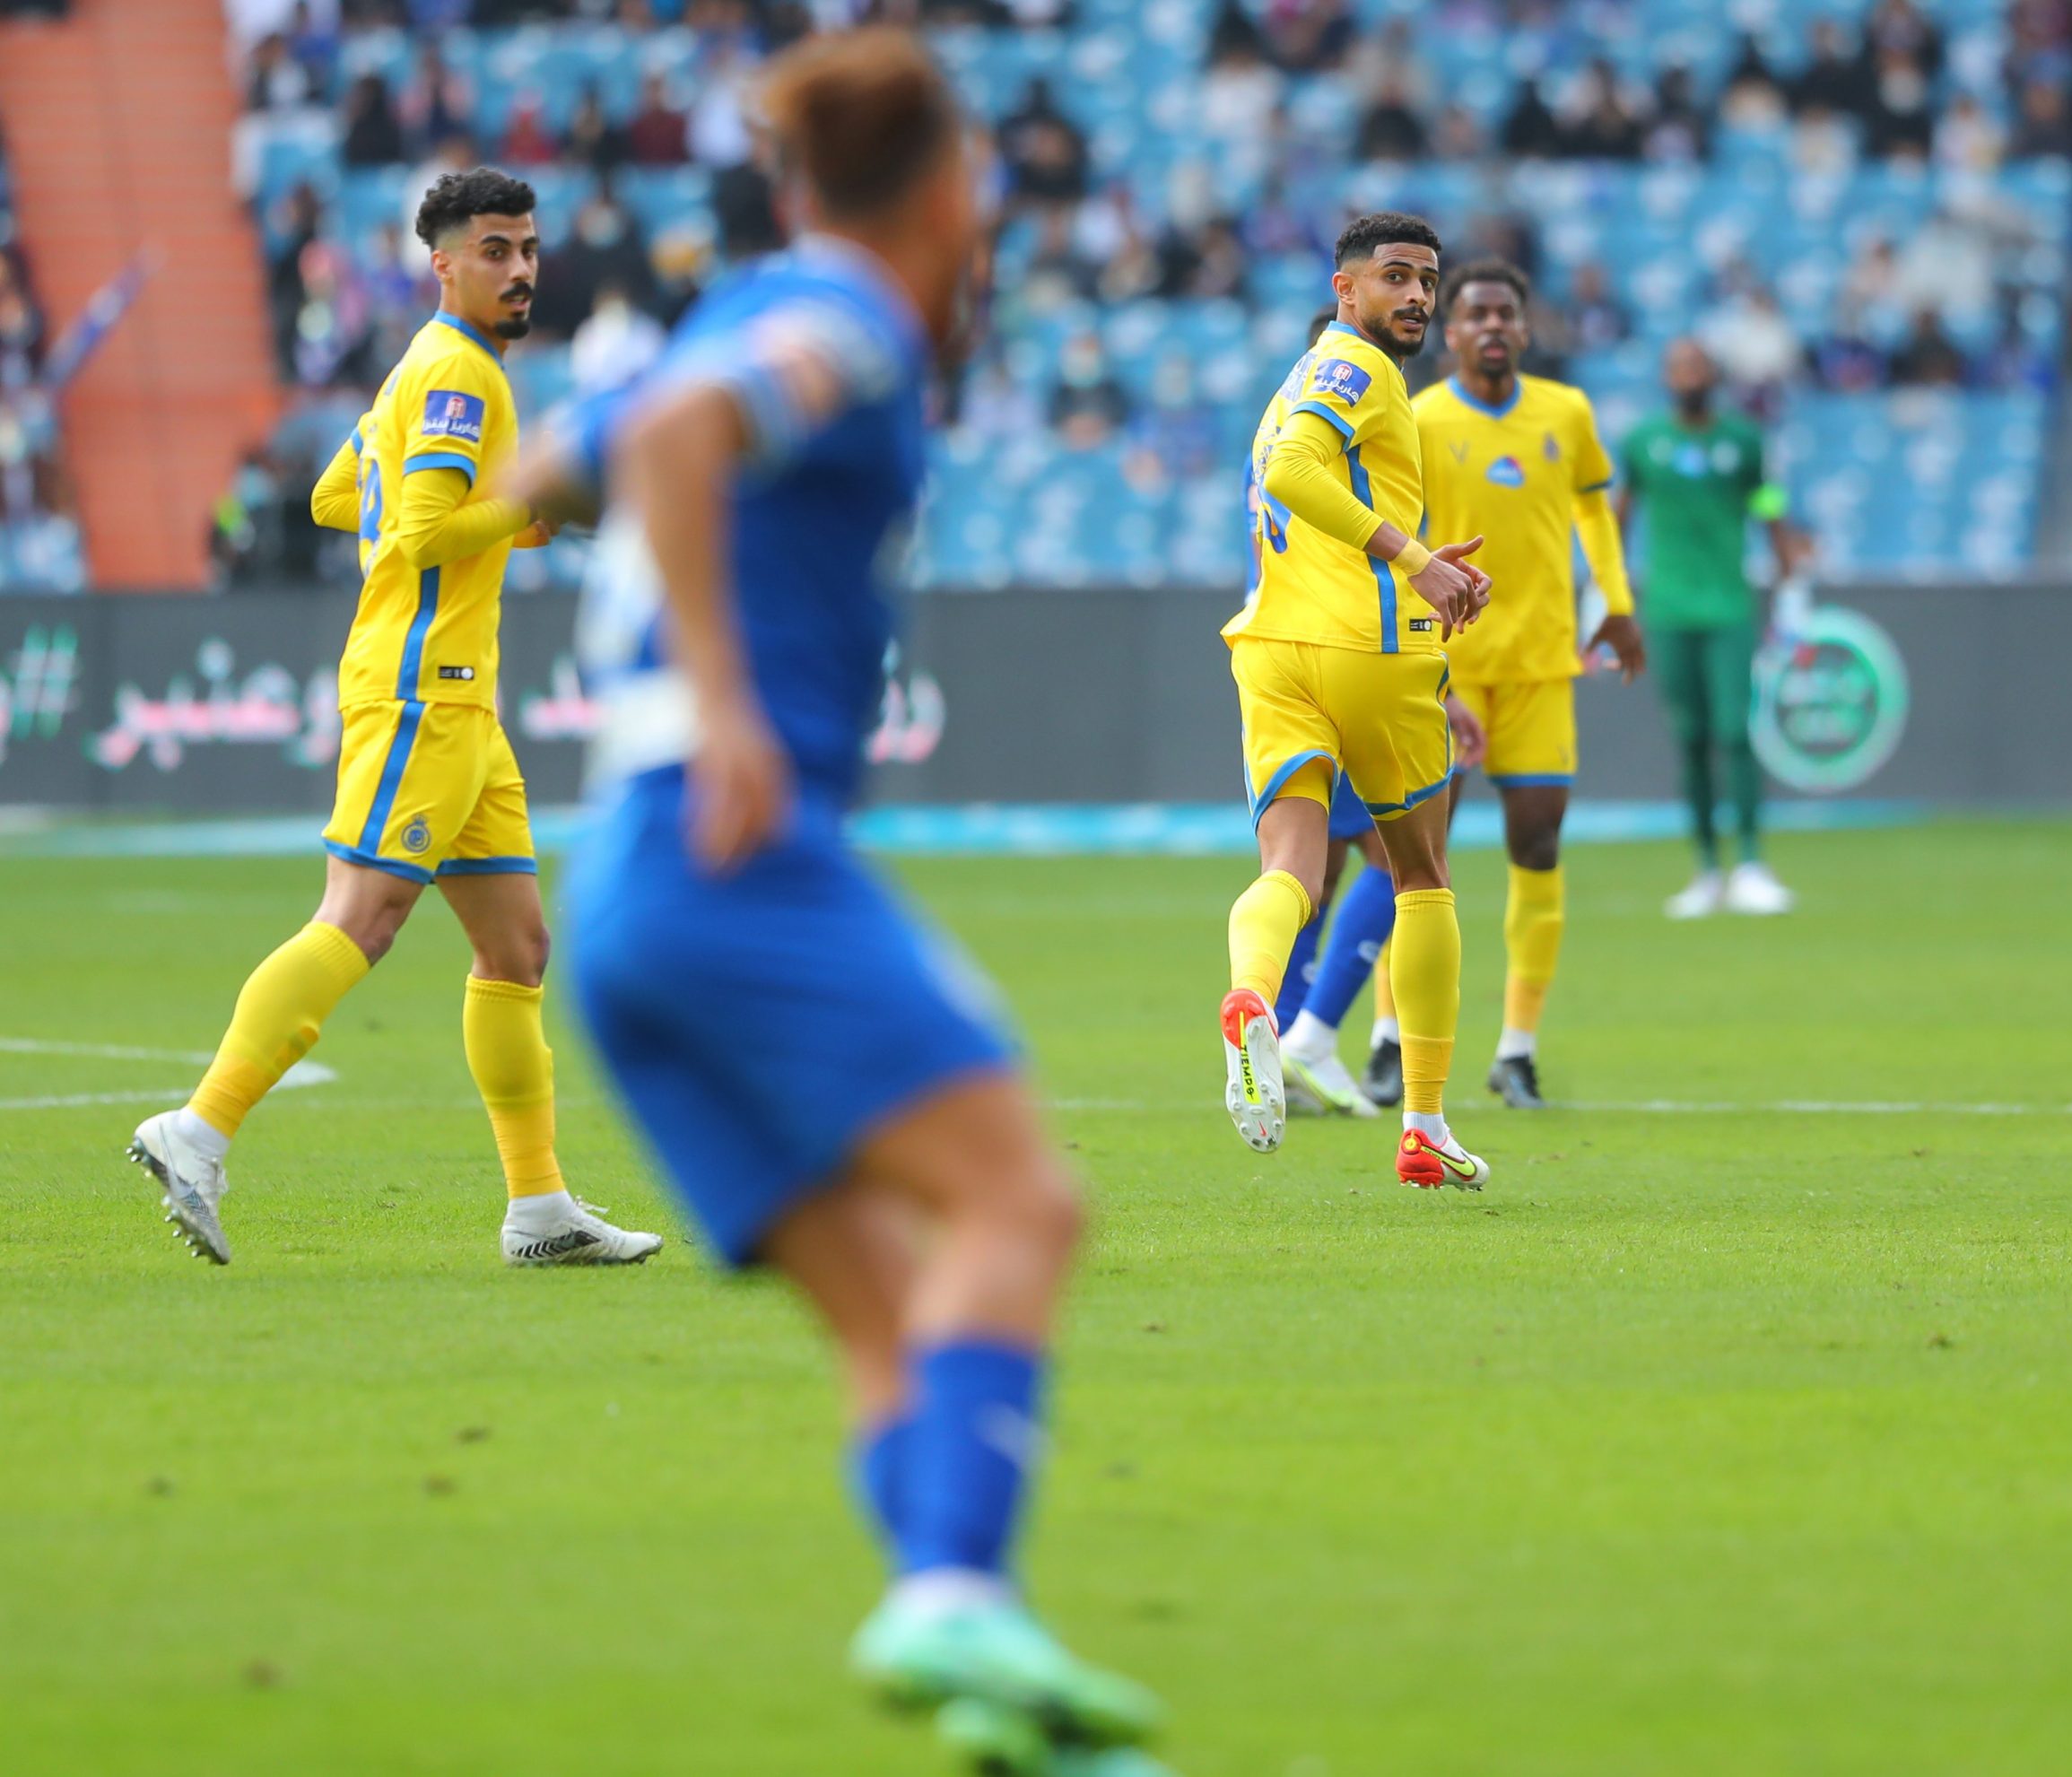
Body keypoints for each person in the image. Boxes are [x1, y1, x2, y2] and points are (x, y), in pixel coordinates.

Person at [512, 30, 1171, 1776]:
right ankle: (957, 1588)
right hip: (734, 853)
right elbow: (671, 438)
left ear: (797, 186)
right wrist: (730, 697)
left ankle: (990, 1678)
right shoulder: (856, 321)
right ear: (952, 194)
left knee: (890, 1311)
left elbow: (547, 473)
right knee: (1020, 1205)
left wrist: (614, 461)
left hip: (626, 896)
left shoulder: (728, 310)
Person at [124, 169, 662, 1272]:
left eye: (525, 248)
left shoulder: (415, 373)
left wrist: (489, 513)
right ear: (444, 264)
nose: (519, 269)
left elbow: (340, 496)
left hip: (463, 697)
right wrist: (539, 504)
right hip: (424, 687)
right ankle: (198, 1128)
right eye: (495, 251)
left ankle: (539, 1208)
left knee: (515, 946)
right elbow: (416, 532)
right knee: (362, 918)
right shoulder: (457, 373)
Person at [1221, 212, 1495, 1190]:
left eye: (1427, 279)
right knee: (1419, 874)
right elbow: (1297, 471)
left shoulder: (1293, 380)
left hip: (1272, 647)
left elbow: (1286, 477)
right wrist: (1415, 560)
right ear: (1345, 291)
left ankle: (1253, 1000)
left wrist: (1406, 554)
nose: (1417, 295)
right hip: (1369, 651)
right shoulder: (1356, 369)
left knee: (1290, 864)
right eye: (1395, 278)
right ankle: (1422, 1123)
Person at [1395, 261, 1641, 1108]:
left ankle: (1517, 1048)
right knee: (1421, 857)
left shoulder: (1565, 413)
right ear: (1450, 333)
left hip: (1541, 665)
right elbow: (1395, 542)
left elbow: (1594, 515)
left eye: (1506, 312)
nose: (1492, 325)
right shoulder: (1420, 419)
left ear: (1525, 331)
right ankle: (1394, 1036)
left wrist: (1617, 601)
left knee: (1536, 844)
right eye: (1475, 314)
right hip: (1448, 667)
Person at [1617, 340, 1801, 919]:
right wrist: (1608, 593)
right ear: (1667, 377)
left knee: (1735, 732)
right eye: (1679, 367)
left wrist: (1788, 565)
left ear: (1713, 377)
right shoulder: (1644, 443)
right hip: (1668, 608)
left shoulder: (1743, 440)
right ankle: (1705, 870)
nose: (1689, 376)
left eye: (1698, 367)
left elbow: (1767, 499)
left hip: (1728, 606)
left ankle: (1750, 863)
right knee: (1691, 738)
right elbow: (1620, 513)